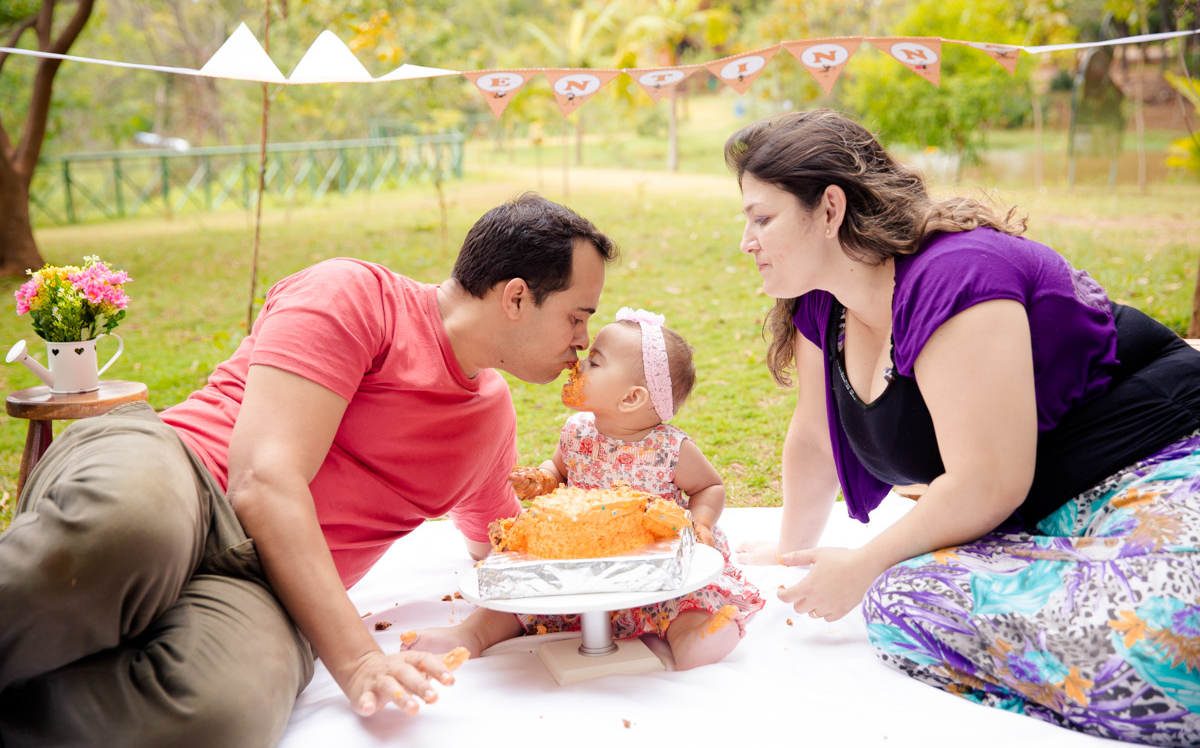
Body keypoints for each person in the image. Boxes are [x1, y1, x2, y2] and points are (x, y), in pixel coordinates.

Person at [0, 192, 617, 748]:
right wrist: (357, 661)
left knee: (217, 714)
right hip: (182, 474)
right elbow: (261, 480)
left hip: (266, 589)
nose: (583, 341)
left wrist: (621, 573)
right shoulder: (355, 294)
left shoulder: (489, 421)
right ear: (515, 297)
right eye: (577, 315)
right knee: (130, 533)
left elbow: (507, 550)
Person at [727, 109, 1200, 745]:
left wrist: (862, 562)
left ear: (830, 209)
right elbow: (814, 437)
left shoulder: (956, 275)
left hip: (1158, 458)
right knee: (902, 602)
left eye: (762, 218)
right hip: (1042, 515)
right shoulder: (822, 303)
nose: (746, 241)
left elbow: (986, 483)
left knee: (1166, 650)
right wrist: (792, 556)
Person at [406, 308, 764, 670]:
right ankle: (471, 635)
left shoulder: (669, 448)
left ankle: (692, 639)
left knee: (684, 601)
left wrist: (701, 521)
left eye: (595, 361)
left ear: (630, 398)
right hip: (580, 556)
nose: (578, 364)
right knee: (519, 599)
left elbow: (709, 485)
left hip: (652, 559)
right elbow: (559, 470)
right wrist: (542, 479)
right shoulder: (578, 431)